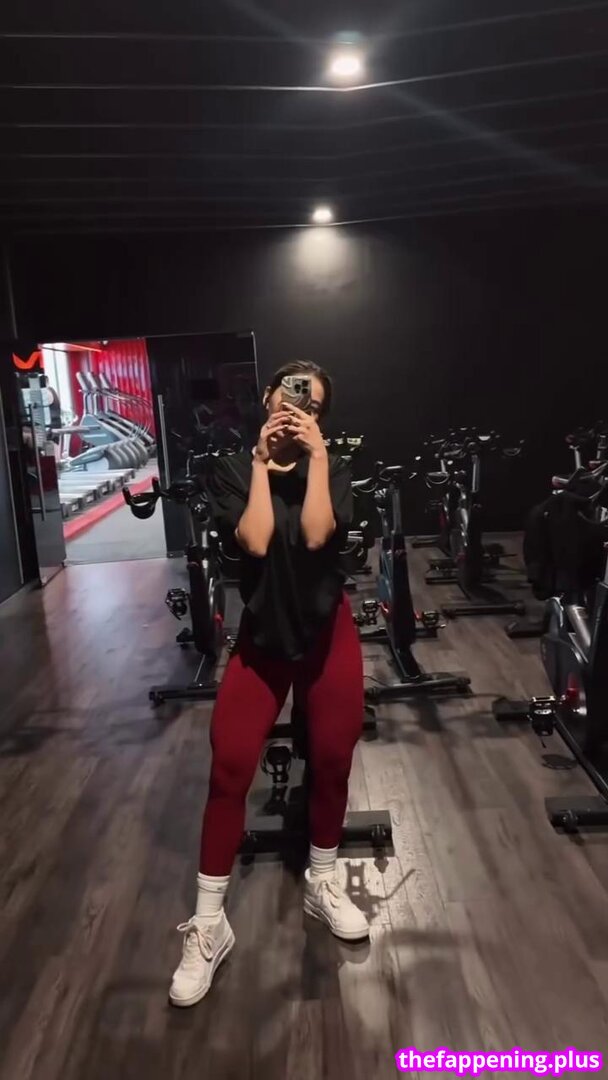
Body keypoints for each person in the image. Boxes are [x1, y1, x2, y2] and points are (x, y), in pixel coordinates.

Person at [169, 360, 369, 1008]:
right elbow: (254, 541)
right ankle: (209, 924)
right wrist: (260, 463)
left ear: (320, 416)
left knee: (333, 758)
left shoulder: (334, 469)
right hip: (263, 639)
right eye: (290, 395)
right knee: (229, 766)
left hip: (326, 632)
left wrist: (317, 458)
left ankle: (322, 880)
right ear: (267, 397)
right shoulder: (233, 469)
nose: (297, 408)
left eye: (312, 404)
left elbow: (315, 534)